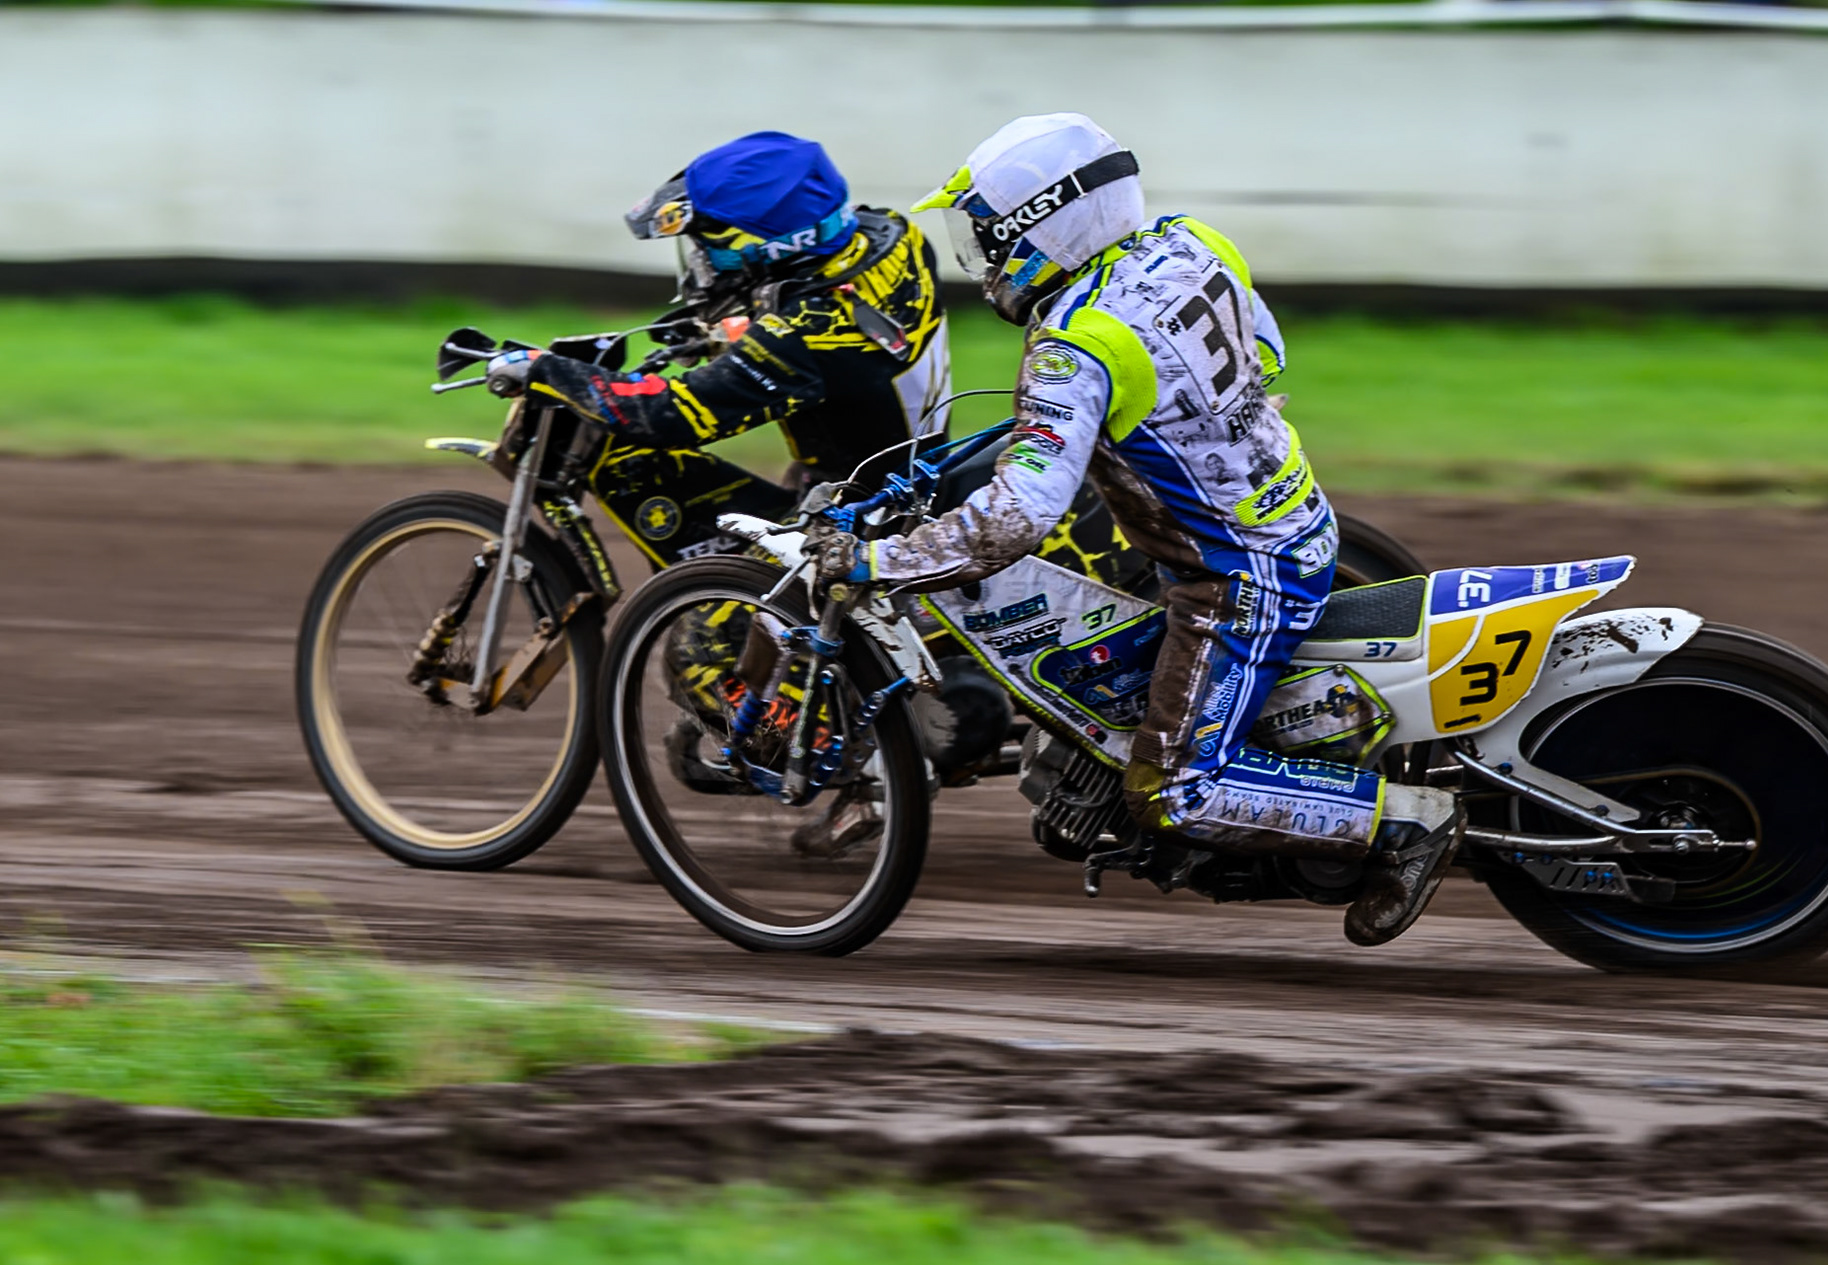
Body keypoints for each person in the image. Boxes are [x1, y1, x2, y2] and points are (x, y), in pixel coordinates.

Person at [817, 113, 1462, 946]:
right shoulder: (1194, 244)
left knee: (1170, 789)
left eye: (985, 237)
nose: (981, 263)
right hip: (1298, 515)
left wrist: (880, 561)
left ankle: (1405, 823)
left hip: (1235, 579)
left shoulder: (1074, 344)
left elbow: (1017, 517)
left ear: (1037, 227)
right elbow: (1264, 354)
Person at [488, 131, 950, 566]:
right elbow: (815, 329)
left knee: (706, 641)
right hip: (910, 485)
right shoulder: (891, 237)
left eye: (707, 248)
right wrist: (739, 327)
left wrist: (546, 370)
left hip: (858, 524)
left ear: (767, 247)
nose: (700, 264)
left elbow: (673, 415)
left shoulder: (799, 337)